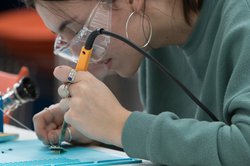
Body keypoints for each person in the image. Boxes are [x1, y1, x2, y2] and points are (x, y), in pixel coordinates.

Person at [23, 0, 250, 165]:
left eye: (76, 29)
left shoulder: (243, 16)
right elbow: (188, 148)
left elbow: (244, 149)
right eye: (63, 38)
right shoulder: (150, 37)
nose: (77, 51)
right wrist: (100, 128)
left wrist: (121, 126)